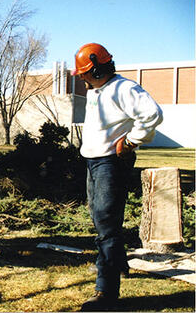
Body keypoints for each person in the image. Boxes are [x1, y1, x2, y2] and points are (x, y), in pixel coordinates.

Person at [72, 43, 163, 311]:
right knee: (101, 218)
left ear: (97, 69)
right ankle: (117, 264)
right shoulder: (97, 90)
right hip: (93, 161)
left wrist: (133, 141)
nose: (82, 78)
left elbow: (152, 114)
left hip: (110, 163)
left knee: (106, 224)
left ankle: (106, 292)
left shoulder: (124, 88)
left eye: (84, 73)